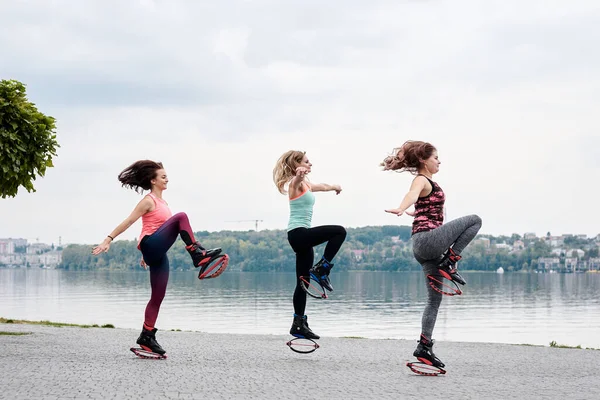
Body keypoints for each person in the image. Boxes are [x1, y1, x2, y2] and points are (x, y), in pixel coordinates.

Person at [92, 160, 224, 356]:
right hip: (150, 245)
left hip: (156, 252)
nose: (167, 179)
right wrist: (108, 239)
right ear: (153, 180)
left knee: (158, 296)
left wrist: (148, 255)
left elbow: (157, 228)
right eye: (163, 177)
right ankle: (197, 255)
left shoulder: (164, 203)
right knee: (181, 217)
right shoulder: (148, 201)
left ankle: (146, 336)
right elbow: (130, 221)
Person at [383, 141, 482, 369]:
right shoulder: (421, 180)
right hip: (428, 241)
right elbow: (412, 193)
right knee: (475, 220)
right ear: (423, 160)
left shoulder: (430, 183)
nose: (439, 161)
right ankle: (451, 261)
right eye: (435, 157)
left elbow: (424, 208)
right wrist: (401, 207)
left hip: (423, 248)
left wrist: (413, 213)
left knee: (434, 300)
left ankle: (424, 347)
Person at [273, 150, 347, 340]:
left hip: (301, 236)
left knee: (303, 281)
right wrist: (298, 175)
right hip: (298, 234)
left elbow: (321, 186)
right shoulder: (295, 184)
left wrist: (334, 186)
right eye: (307, 161)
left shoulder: (306, 184)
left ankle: (298, 324)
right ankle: (322, 269)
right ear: (297, 164)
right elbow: (295, 182)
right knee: (339, 231)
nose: (311, 164)